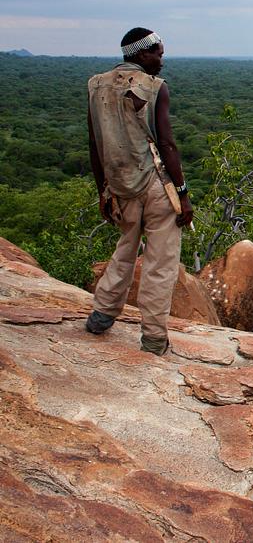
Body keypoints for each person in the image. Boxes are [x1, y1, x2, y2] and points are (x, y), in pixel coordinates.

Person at [84, 27, 194, 355]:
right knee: (160, 265)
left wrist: (103, 190)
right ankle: (154, 338)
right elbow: (167, 144)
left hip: (121, 186)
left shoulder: (96, 86)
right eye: (157, 53)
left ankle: (102, 314)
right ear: (141, 54)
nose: (161, 59)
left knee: (125, 249)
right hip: (157, 186)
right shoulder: (154, 88)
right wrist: (183, 193)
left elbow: (95, 144)